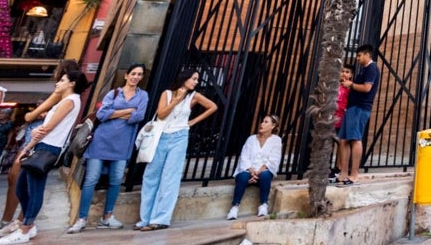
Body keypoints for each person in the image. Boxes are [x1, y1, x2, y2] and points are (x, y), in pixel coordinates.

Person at [0, 69, 87, 245]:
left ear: (72, 83)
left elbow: (47, 127)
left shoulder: (70, 100)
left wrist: (28, 144)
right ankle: (28, 223)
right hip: (41, 145)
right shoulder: (65, 100)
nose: (58, 83)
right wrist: (29, 146)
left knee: (34, 188)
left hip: (49, 147)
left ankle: (26, 227)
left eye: (62, 80)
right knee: (21, 187)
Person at [68, 63, 150, 232]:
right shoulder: (113, 93)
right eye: (133, 73)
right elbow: (102, 114)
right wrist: (126, 111)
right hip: (101, 141)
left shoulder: (143, 96)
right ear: (126, 75)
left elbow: (139, 116)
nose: (136, 77)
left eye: (139, 74)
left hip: (122, 144)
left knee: (115, 180)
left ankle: (108, 216)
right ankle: (81, 218)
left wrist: (115, 113)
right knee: (91, 179)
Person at [136, 69, 218, 230]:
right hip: (161, 136)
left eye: (197, 79)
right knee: (151, 176)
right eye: (194, 79)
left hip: (180, 137)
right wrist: (176, 100)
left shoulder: (193, 96)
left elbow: (213, 106)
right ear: (184, 79)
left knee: (170, 178)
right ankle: (145, 218)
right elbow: (161, 115)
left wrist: (193, 121)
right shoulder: (166, 94)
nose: (196, 82)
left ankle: (160, 219)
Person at [338, 45, 379, 186]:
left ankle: (354, 175)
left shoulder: (372, 68)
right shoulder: (364, 70)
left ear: (367, 55)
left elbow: (367, 88)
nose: (357, 58)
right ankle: (343, 174)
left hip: (360, 107)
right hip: (351, 108)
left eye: (359, 55)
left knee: (355, 138)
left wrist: (351, 84)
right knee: (343, 140)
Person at [226, 114, 282, 220]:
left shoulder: (276, 140)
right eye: (262, 121)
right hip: (248, 170)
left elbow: (274, 159)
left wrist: (259, 171)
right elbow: (244, 156)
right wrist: (251, 171)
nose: (262, 124)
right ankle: (234, 207)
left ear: (273, 126)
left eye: (266, 122)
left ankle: (263, 205)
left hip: (264, 170)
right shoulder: (251, 139)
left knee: (265, 176)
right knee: (242, 177)